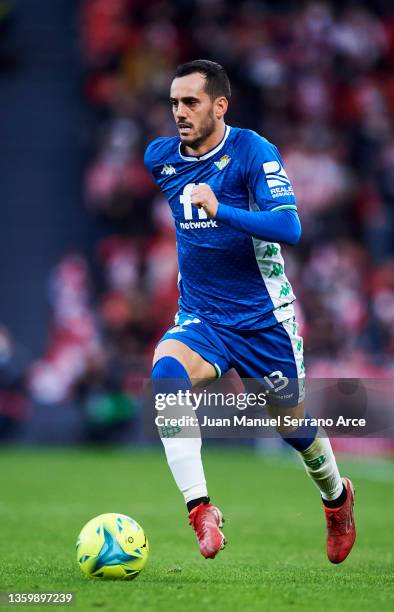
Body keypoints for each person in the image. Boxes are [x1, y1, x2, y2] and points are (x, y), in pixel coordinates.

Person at [144, 59, 356, 563]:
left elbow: (290, 228)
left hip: (265, 320)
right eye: (174, 102)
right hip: (202, 317)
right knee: (166, 377)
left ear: (220, 105)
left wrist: (221, 209)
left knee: (294, 430)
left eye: (191, 102)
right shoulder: (160, 158)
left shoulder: (252, 150)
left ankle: (337, 499)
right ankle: (200, 509)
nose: (180, 112)